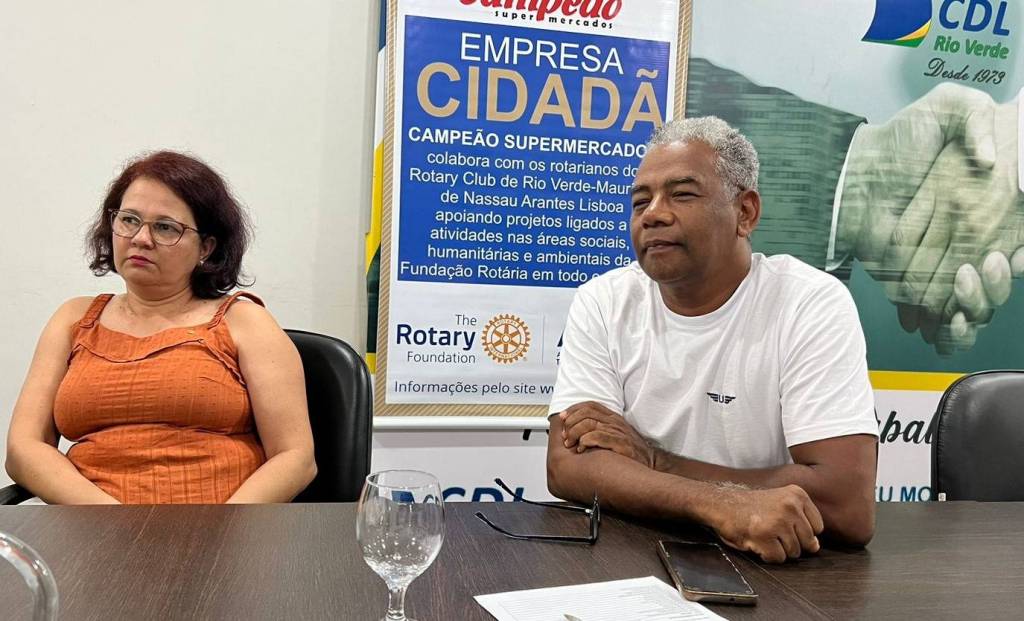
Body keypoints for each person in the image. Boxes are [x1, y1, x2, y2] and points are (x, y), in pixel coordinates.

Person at [546, 117, 879, 563]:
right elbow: (568, 466)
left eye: (682, 194)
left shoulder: (808, 302)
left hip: (773, 566)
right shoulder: (604, 300)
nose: (653, 214)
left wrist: (656, 462)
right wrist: (719, 504)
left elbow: (846, 505)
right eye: (640, 201)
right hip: (628, 554)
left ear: (745, 213)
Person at [6, 151, 316, 504]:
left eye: (165, 227)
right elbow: (23, 448)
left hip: (219, 529)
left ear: (206, 247)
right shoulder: (73, 319)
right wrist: (113, 520)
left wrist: (223, 527)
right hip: (91, 527)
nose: (140, 238)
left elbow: (295, 458)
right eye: (129, 220)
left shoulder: (244, 322)